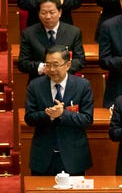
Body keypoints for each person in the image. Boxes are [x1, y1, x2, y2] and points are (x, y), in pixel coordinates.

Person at [24, 46, 93, 176]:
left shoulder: (83, 86)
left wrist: (63, 114)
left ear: (68, 65)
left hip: (73, 157)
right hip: (43, 157)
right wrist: (49, 115)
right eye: (48, 65)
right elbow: (29, 118)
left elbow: (87, 119)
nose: (51, 70)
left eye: (56, 65)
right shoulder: (35, 86)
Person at [18, 0, 86, 83]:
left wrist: (61, 69)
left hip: (67, 82)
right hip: (39, 83)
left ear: (60, 12)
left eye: (52, 12)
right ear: (38, 14)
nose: (48, 16)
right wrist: (42, 67)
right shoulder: (29, 33)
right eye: (44, 13)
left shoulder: (73, 32)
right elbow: (23, 63)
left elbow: (80, 60)